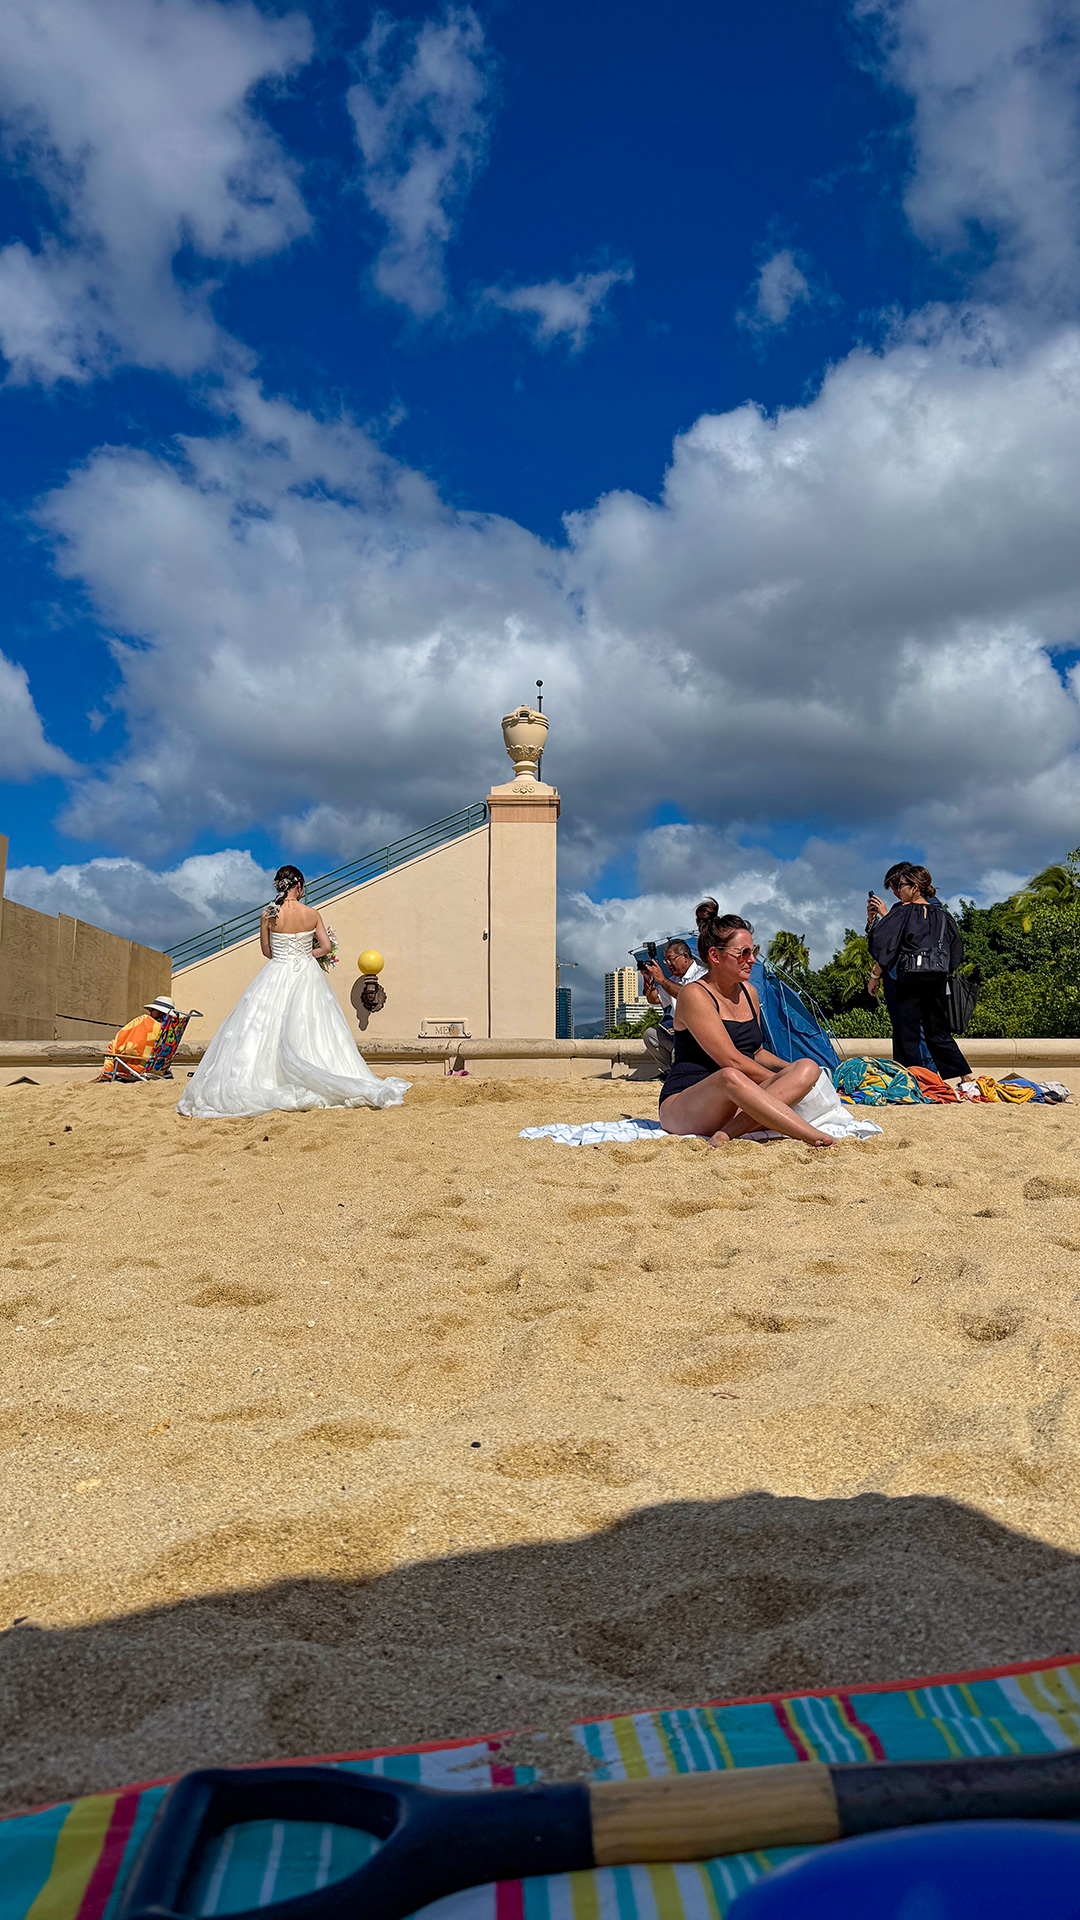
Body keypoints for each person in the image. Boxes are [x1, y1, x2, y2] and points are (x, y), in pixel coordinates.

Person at [177, 865, 410, 1119]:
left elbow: (266, 951)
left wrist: (285, 956)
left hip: (276, 971)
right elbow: (326, 946)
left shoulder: (267, 914)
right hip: (305, 973)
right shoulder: (311, 913)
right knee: (311, 1025)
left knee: (263, 1025)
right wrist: (305, 955)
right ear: (298, 885)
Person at [658, 902, 836, 1146]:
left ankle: (727, 1133)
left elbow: (756, 1052)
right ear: (714, 955)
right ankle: (808, 1134)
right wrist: (774, 1081)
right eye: (743, 953)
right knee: (730, 1075)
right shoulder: (694, 995)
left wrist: (790, 1071)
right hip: (687, 1103)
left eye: (753, 951)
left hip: (737, 1102)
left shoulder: (749, 992)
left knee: (807, 1067)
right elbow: (731, 1060)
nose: (752, 960)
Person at [867, 863, 971, 1081]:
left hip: (908, 979)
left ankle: (912, 1080)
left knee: (907, 1034)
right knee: (938, 1032)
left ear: (914, 887)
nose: (899, 891)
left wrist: (876, 921)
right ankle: (965, 1079)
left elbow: (883, 943)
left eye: (902, 886)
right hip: (935, 979)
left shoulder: (904, 913)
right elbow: (956, 949)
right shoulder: (942, 915)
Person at [641, 937, 707, 1077]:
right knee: (650, 1035)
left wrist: (663, 980)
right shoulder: (672, 980)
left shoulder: (703, 974)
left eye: (671, 959)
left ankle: (681, 1075)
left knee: (678, 1051)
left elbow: (688, 996)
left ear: (685, 956)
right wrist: (649, 980)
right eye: (666, 961)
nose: (668, 964)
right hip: (678, 1032)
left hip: (699, 1035)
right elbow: (653, 999)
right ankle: (668, 1073)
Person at [105, 994, 177, 1068]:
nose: (150, 1012)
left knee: (113, 1045)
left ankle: (107, 1073)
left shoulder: (145, 1021)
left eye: (152, 1010)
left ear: (159, 1012)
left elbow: (121, 1043)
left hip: (136, 1067)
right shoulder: (172, 1030)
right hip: (158, 1068)